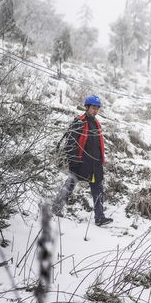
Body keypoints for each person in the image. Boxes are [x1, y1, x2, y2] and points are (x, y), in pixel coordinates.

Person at [53, 95, 113, 226]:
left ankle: (99, 217)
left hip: (95, 164)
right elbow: (70, 144)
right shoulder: (79, 122)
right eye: (93, 108)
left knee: (98, 189)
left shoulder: (96, 123)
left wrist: (100, 161)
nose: (95, 110)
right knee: (70, 184)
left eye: (97, 108)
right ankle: (56, 208)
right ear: (86, 107)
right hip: (80, 163)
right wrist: (73, 162)